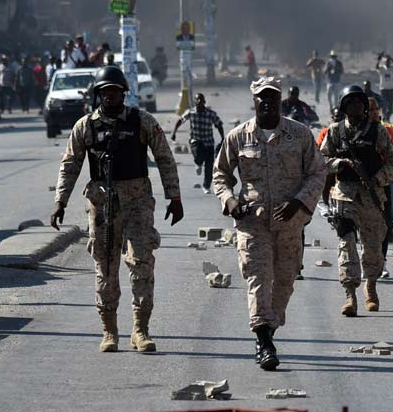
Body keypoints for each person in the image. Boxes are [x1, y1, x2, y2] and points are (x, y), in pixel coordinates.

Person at [51, 66, 183, 354]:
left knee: (141, 263)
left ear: (124, 93)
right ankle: (109, 330)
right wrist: (60, 202)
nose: (110, 97)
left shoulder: (142, 121)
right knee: (105, 266)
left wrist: (175, 197)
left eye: (115, 91)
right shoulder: (85, 126)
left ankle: (140, 329)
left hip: (137, 202)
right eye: (105, 92)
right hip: (102, 205)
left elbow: (164, 157)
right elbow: (70, 164)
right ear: (98, 94)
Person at [212, 76, 326, 369]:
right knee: (258, 279)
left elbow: (317, 173)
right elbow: (220, 175)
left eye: (272, 97)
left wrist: (299, 202)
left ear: (280, 100)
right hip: (252, 223)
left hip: (289, 223)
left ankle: (268, 328)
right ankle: (264, 342)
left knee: (284, 283)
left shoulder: (299, 135)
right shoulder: (239, 136)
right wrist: (229, 200)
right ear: (254, 101)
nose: (267, 102)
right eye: (262, 97)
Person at [320, 85, 393, 316]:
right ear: (344, 107)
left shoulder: (378, 131)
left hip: (372, 196)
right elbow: (321, 161)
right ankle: (349, 294)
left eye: (359, 102)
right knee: (346, 244)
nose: (355, 106)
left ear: (365, 106)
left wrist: (378, 178)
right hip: (344, 194)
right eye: (350, 102)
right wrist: (340, 164)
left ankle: (371, 286)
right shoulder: (335, 132)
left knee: (373, 247)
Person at [371, 98, 393, 280]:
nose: (374, 112)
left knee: (386, 219)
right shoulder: (358, 131)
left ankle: (381, 262)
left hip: (387, 180)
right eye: (370, 109)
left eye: (376, 109)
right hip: (366, 184)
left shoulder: (390, 129)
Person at [172, 92, 224, 194]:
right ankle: (198, 163)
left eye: (201, 100)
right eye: (197, 99)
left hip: (209, 143)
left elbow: (219, 125)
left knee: (209, 166)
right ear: (195, 102)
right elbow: (180, 120)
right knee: (198, 155)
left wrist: (223, 138)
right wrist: (174, 132)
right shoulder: (191, 113)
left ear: (204, 102)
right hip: (196, 141)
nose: (199, 101)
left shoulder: (210, 114)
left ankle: (206, 186)